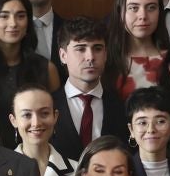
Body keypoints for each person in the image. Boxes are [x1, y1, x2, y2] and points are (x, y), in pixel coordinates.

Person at [0, 0, 61, 145]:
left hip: (35, 154)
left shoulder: (46, 69)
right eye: (4, 16)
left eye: (20, 16)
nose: (13, 23)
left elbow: (57, 122)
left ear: (28, 22)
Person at [52, 17, 125, 161]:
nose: (90, 57)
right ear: (63, 55)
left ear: (105, 54)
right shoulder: (48, 105)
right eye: (81, 49)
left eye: (97, 48)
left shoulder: (121, 107)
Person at [108, 0, 170, 97]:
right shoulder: (105, 58)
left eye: (151, 7)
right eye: (133, 8)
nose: (143, 15)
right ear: (120, 12)